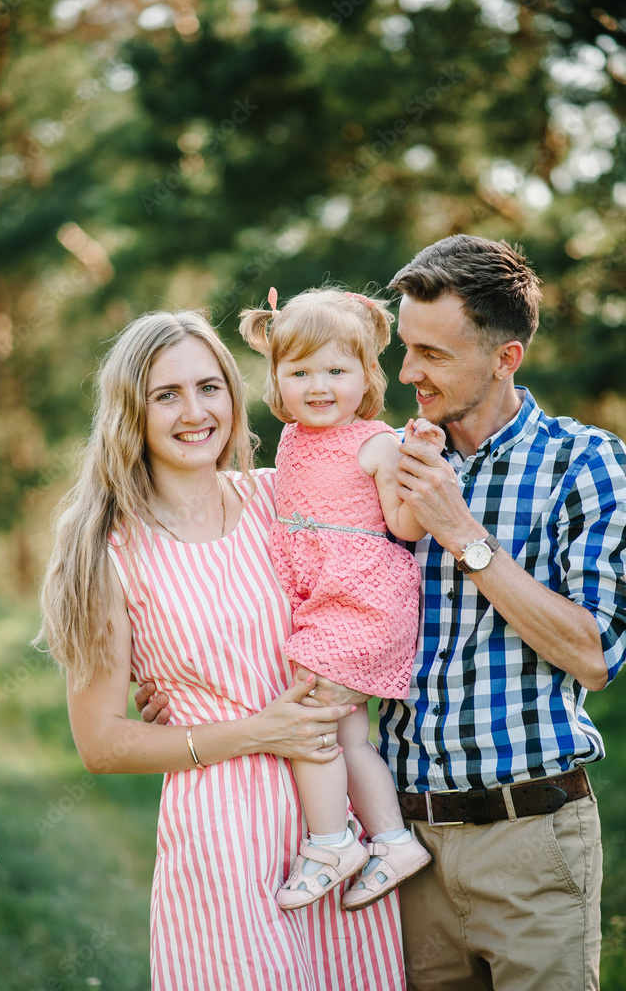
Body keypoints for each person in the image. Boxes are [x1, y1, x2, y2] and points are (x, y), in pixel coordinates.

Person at [35, 309, 406, 991]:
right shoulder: (104, 547)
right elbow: (101, 743)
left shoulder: (281, 498)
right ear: (130, 411)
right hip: (223, 838)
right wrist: (252, 730)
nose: (194, 411)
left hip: (338, 831)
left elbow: (380, 590)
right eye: (165, 394)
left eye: (209, 387)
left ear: (235, 397)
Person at [381, 234, 626, 991]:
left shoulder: (585, 463)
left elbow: (593, 653)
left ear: (504, 358)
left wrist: (461, 534)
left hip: (531, 842)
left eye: (432, 353)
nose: (407, 371)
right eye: (404, 347)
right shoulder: (390, 464)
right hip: (405, 844)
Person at [236, 285, 441, 912]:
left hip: (362, 599)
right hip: (324, 601)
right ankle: (392, 839)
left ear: (364, 375)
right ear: (277, 379)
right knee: (349, 735)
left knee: (311, 719)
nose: (318, 385)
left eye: (335, 369)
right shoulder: (294, 439)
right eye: (300, 371)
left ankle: (330, 843)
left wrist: (420, 464)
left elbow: (404, 530)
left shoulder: (376, 442)